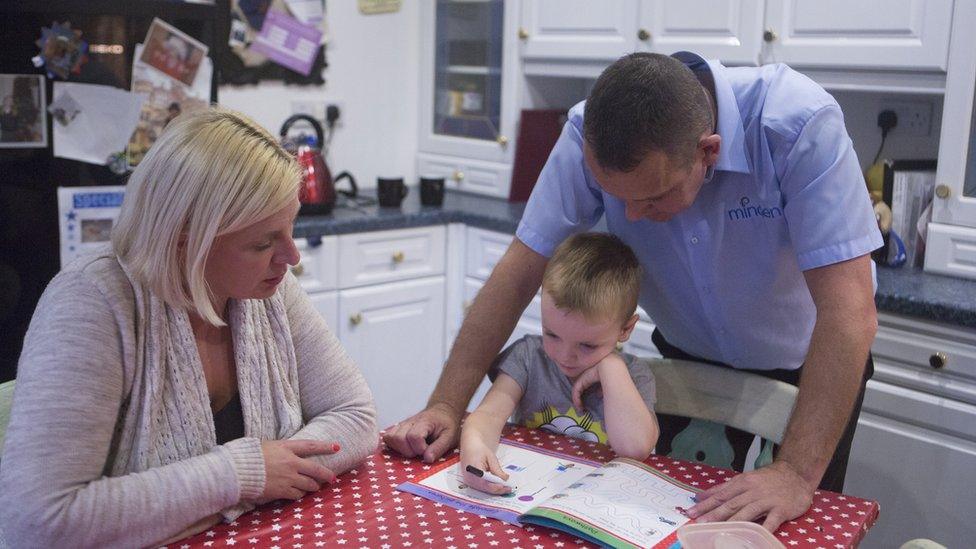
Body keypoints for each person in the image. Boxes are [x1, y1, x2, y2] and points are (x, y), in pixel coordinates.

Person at [385, 51, 881, 531]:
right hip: (686, 354)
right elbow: (518, 272)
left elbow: (848, 314)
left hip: (813, 365)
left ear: (708, 151)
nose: (634, 217)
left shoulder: (796, 124)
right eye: (617, 199)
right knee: (674, 520)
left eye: (654, 195)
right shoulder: (585, 132)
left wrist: (795, 472)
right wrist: (448, 404)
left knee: (781, 524)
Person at [0, 107, 378, 547]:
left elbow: (355, 414)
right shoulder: (93, 303)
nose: (291, 257)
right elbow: (39, 523)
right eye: (261, 242)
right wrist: (243, 474)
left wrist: (270, 473)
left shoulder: (267, 290)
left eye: (290, 228)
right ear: (184, 238)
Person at [460, 233, 659, 494]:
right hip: (529, 492)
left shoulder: (633, 375)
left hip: (599, 502)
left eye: (587, 345)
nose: (565, 356)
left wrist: (611, 367)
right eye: (552, 334)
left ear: (625, 329)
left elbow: (634, 448)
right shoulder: (529, 356)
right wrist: (475, 448)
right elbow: (487, 415)